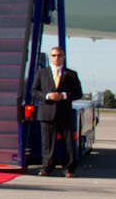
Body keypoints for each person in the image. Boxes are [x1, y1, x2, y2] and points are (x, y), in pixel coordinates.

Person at [35, 44, 83, 176]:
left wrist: (64, 95)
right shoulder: (42, 73)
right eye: (54, 55)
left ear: (64, 57)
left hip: (64, 113)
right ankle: (46, 167)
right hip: (46, 113)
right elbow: (34, 91)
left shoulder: (71, 74)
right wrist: (47, 96)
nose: (57, 58)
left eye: (59, 55)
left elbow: (78, 93)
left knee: (68, 142)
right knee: (47, 144)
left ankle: (69, 169)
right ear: (50, 57)